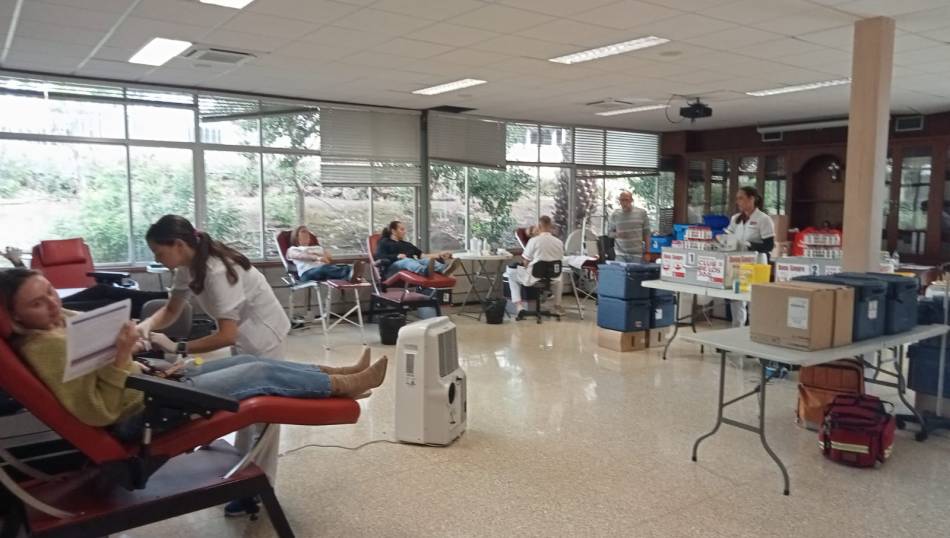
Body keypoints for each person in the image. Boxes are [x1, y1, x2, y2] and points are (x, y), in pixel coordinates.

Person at [0, 267, 386, 451]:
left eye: (49, 291)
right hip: (141, 411)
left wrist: (135, 355)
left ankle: (339, 374)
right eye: (37, 303)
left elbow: (101, 368)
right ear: (14, 316)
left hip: (152, 385)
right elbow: (97, 412)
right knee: (257, 371)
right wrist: (121, 356)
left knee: (246, 362)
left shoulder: (60, 322)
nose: (52, 303)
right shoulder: (45, 346)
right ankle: (342, 385)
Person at [135, 214, 291, 517]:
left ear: (178, 245)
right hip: (243, 335)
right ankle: (243, 475)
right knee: (245, 407)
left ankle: (259, 489)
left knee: (265, 415)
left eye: (158, 252)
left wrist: (177, 347)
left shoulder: (217, 271)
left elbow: (226, 334)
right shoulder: (186, 266)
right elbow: (171, 310)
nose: (157, 259)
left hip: (263, 335)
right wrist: (146, 326)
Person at [2, 246, 167, 319]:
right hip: (49, 313)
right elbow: (20, 294)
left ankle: (166, 297)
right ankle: (162, 306)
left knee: (101, 289)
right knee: (107, 304)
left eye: (49, 291)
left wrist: (17, 262)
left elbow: (23, 283)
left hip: (60, 303)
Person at [724, 186, 775, 327]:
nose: (738, 202)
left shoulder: (763, 219)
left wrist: (748, 245)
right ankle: (736, 330)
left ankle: (755, 330)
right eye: (737, 199)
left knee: (754, 300)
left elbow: (769, 246)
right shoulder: (736, 219)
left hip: (757, 264)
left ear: (752, 199)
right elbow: (728, 237)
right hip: (737, 264)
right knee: (736, 299)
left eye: (741, 198)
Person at [506, 216, 565, 318]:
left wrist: (525, 267)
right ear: (550, 226)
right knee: (560, 276)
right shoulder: (559, 242)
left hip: (534, 276)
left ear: (539, 226)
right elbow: (559, 260)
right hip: (553, 277)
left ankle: (519, 307)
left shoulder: (534, 241)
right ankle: (557, 305)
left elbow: (525, 262)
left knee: (510, 274)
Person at [376, 221, 460, 279]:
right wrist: (396, 256)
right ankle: (424, 271)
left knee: (426, 260)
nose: (405, 232)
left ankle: (444, 269)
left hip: (411, 265)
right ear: (393, 231)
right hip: (392, 269)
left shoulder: (407, 244)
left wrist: (440, 255)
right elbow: (378, 256)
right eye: (402, 229)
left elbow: (422, 255)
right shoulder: (384, 242)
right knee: (407, 260)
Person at [285, 226, 365, 283]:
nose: (306, 234)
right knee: (324, 268)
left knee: (338, 267)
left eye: (307, 232)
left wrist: (324, 255)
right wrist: (317, 258)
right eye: (303, 232)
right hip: (306, 274)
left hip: (323, 270)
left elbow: (329, 258)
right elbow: (300, 256)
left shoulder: (317, 247)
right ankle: (350, 275)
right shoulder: (293, 249)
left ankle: (352, 274)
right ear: (296, 236)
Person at [607, 191, 650, 262]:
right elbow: (609, 233)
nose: (624, 202)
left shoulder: (642, 213)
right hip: (620, 255)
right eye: (622, 200)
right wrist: (617, 234)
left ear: (631, 200)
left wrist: (647, 252)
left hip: (637, 255)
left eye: (626, 200)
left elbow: (647, 234)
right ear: (619, 201)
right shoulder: (615, 214)